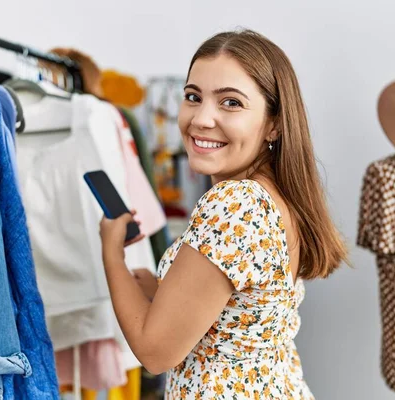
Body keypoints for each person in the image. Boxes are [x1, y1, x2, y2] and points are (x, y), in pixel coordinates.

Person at [99, 29, 347, 399]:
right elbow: (238, 315)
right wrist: (158, 291)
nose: (201, 118)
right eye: (193, 97)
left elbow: (155, 352)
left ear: (275, 123)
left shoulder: (236, 204)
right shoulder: (272, 194)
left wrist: (111, 254)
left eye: (230, 103)